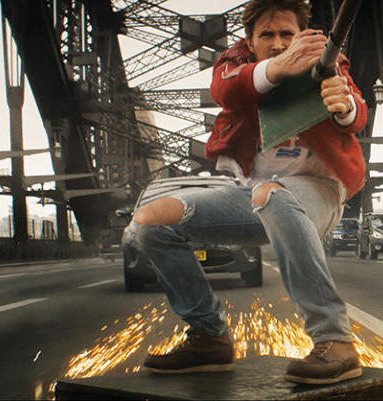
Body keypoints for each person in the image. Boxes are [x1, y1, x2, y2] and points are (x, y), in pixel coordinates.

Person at [122, 0, 367, 384]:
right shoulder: (236, 64)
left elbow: (355, 111)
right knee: (149, 221)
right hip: (250, 194)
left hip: (315, 191)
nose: (278, 42)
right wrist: (279, 69)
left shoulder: (326, 58)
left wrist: (344, 107)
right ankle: (208, 337)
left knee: (272, 193)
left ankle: (334, 340)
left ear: (301, 34)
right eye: (266, 35)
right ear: (250, 42)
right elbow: (225, 89)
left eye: (287, 34)